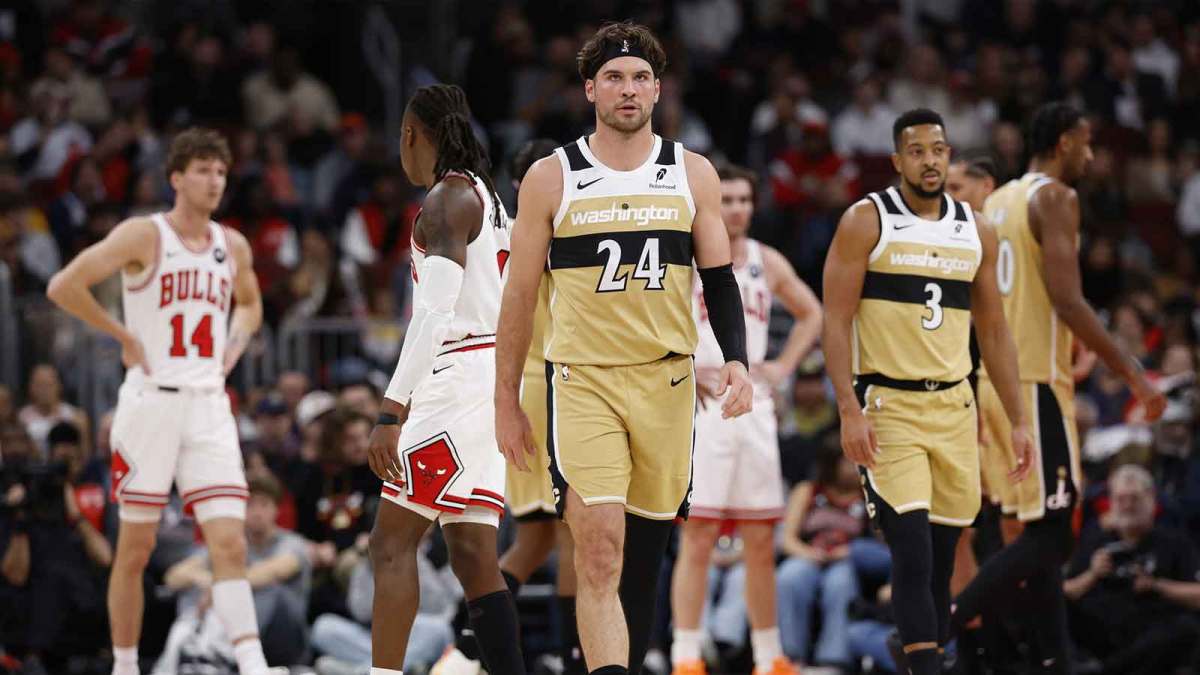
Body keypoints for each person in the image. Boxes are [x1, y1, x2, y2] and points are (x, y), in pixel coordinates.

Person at [496, 21, 754, 675]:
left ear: (658, 88)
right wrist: (504, 396)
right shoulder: (552, 178)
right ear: (590, 88)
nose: (628, 88)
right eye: (613, 76)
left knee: (643, 555)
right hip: (583, 381)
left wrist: (738, 361)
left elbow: (720, 280)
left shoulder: (691, 173)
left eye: (640, 76)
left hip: (667, 382)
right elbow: (518, 296)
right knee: (599, 548)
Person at [44, 127, 281, 675]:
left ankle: (253, 664)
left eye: (221, 172)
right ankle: (125, 666)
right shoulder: (143, 235)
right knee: (135, 549)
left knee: (229, 543)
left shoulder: (233, 245)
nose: (214, 180)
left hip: (208, 404)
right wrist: (121, 335)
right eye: (202, 170)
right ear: (176, 178)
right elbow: (63, 286)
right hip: (151, 403)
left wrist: (234, 347)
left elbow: (250, 306)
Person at [950, 102, 1168, 672]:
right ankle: (934, 631)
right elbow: (1069, 301)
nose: (1092, 155)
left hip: (993, 383)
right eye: (1086, 143)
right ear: (1064, 141)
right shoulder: (1055, 198)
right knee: (1051, 535)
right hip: (1033, 384)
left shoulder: (994, 203)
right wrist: (1134, 375)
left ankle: (1054, 661)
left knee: (1027, 533)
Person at [821, 108, 1033, 675]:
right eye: (916, 151)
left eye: (938, 149)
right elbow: (835, 320)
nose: (930, 160)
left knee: (942, 561)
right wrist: (847, 408)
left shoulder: (975, 229)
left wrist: (1017, 419)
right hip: (889, 406)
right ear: (897, 161)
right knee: (911, 552)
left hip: (955, 407)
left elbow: (994, 332)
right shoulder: (867, 220)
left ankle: (924, 655)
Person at [362, 83, 525, 675]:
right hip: (490, 376)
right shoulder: (486, 195)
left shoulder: (446, 200)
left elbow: (431, 313)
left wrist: (391, 410)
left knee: (390, 542)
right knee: (474, 553)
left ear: (409, 136)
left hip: (457, 375)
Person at [436, 137, 586, 675]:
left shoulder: (499, 227)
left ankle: (468, 636)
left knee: (538, 532)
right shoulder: (548, 230)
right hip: (547, 385)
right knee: (571, 530)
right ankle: (574, 657)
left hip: (518, 386)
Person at [669, 163, 821, 675]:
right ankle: (686, 654)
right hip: (704, 405)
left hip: (753, 403)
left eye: (742, 200)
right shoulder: (685, 256)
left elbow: (812, 313)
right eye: (726, 199)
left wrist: (782, 366)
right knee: (699, 534)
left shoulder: (765, 260)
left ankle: (767, 654)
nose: (735, 209)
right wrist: (688, 370)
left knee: (760, 536)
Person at [159, 472, 312, 669]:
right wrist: (205, 581)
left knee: (266, 590)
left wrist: (219, 588)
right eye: (250, 505)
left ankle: (217, 651)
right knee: (195, 585)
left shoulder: (293, 543)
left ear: (276, 509)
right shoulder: (231, 543)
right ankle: (191, 647)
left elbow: (273, 571)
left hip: (283, 638)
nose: (257, 512)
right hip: (236, 634)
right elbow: (174, 576)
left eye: (264, 504)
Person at [1064, 464, 1200, 674]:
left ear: (1151, 499)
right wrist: (1092, 574)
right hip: (1101, 630)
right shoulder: (1095, 538)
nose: (1127, 505)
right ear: (1111, 502)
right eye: (1120, 499)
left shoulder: (1174, 540)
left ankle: (1107, 671)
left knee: (1187, 628)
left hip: (1152, 629)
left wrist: (1157, 585)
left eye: (1134, 498)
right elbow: (1065, 592)